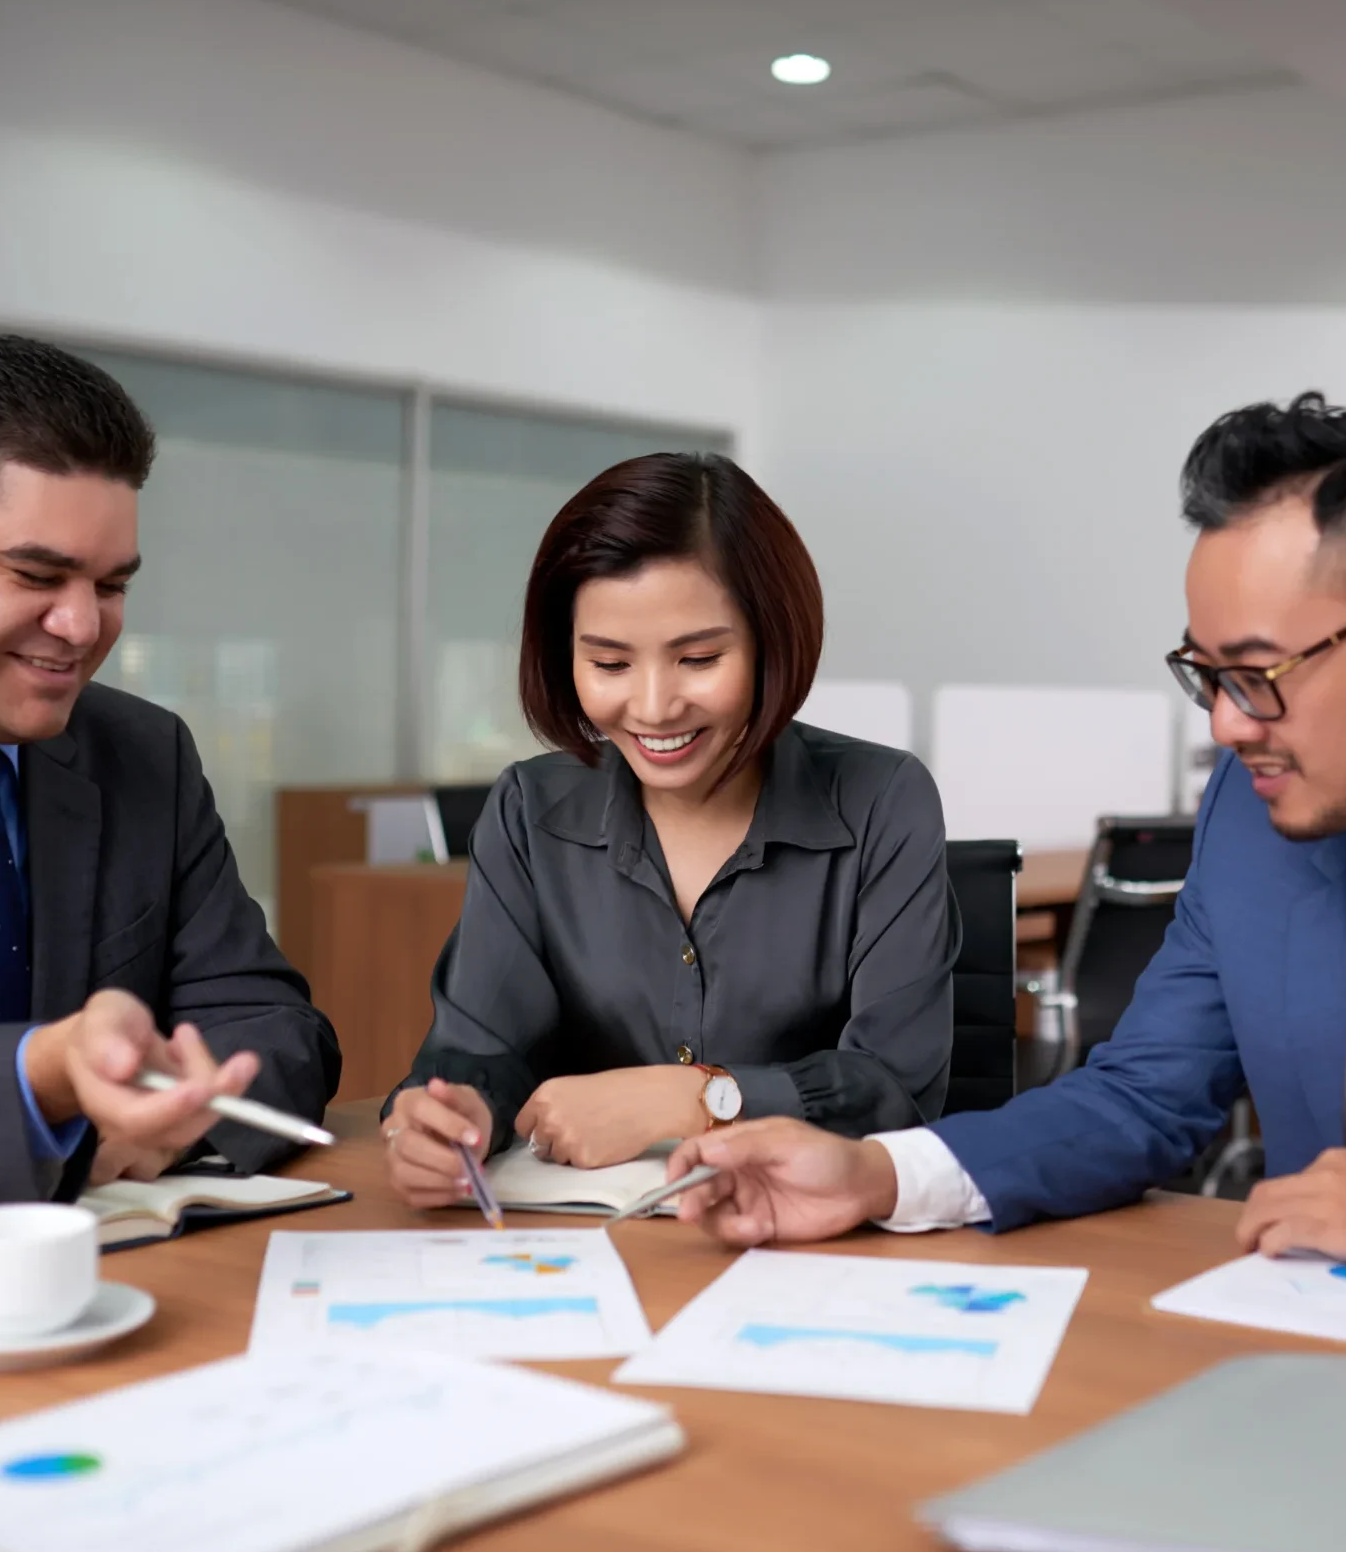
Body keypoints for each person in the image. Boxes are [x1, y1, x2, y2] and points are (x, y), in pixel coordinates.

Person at [663, 392, 1346, 1291]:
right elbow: (1140, 1097)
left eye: (1258, 672)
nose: (1224, 727)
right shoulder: (1255, 815)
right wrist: (875, 1171)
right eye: (1205, 673)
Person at [381, 452, 957, 1207]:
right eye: (609, 662)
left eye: (698, 658)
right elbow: (478, 1048)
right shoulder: (530, 811)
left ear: (770, 640)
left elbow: (897, 1088)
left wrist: (695, 1096)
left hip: (809, 1245)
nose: (652, 707)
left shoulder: (883, 800)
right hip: (580, 1248)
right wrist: (454, 1117)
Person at [0, 334, 340, 1212]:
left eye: (113, 584)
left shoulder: (142, 755)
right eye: (37, 574)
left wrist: (176, 1115)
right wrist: (43, 1083)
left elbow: (276, 1030)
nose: (83, 626)